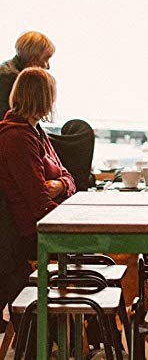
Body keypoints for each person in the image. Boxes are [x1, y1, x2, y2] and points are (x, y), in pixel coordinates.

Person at [0, 67, 75, 308]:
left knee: (109, 258)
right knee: (114, 257)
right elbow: (39, 204)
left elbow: (69, 178)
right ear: (43, 98)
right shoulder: (17, 138)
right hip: (35, 233)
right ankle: (95, 334)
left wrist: (61, 184)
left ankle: (91, 334)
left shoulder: (35, 131)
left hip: (45, 227)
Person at [0, 31, 55, 120]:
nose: (48, 66)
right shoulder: (11, 80)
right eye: (46, 59)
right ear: (33, 59)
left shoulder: (8, 71)